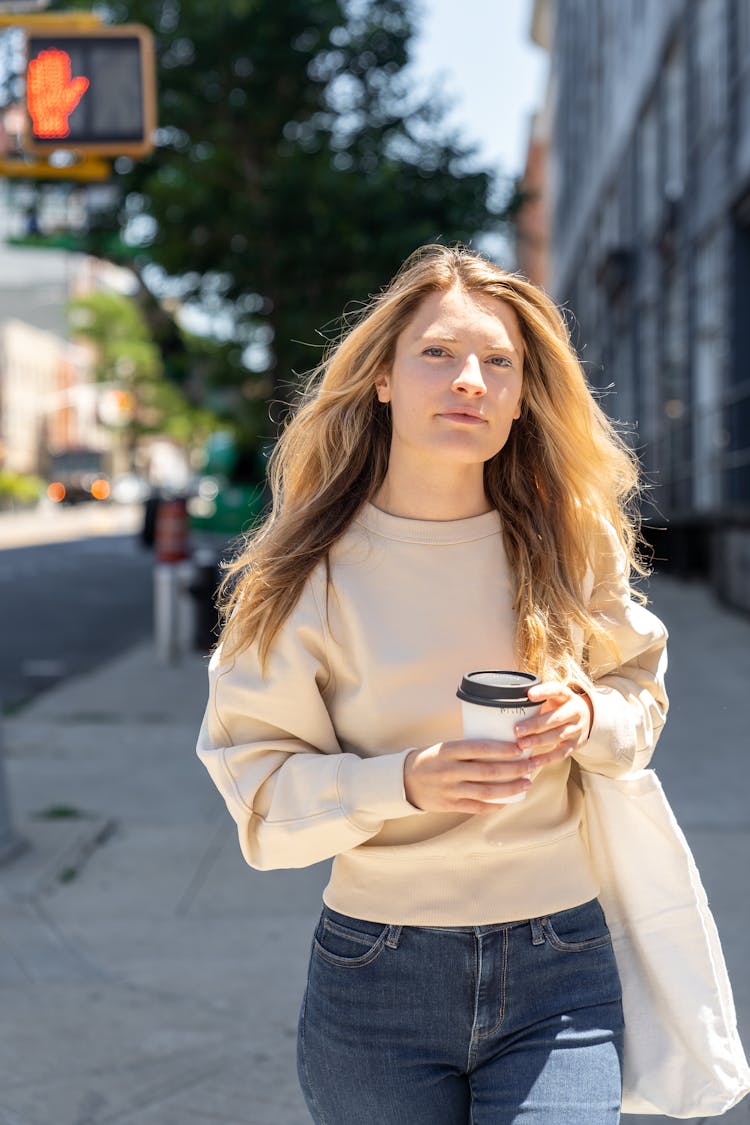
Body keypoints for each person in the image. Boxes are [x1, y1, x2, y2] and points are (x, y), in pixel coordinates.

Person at [196, 244, 668, 1124]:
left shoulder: (572, 544)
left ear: (524, 395)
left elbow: (640, 690)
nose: (470, 382)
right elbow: (260, 793)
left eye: (500, 363)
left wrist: (590, 713)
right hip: (377, 977)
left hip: (561, 959)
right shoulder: (304, 574)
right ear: (381, 377)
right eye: (438, 354)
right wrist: (403, 781)